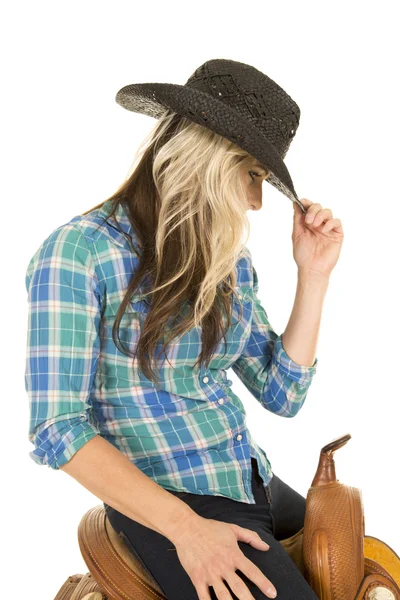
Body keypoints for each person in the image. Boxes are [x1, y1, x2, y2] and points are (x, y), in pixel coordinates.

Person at [24, 59, 344, 600]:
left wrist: (313, 274)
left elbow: (282, 392)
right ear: (207, 159)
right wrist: (187, 530)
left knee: (361, 555)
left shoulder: (228, 260)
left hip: (247, 475)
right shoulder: (78, 253)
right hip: (174, 498)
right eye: (253, 176)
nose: (256, 202)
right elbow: (58, 428)